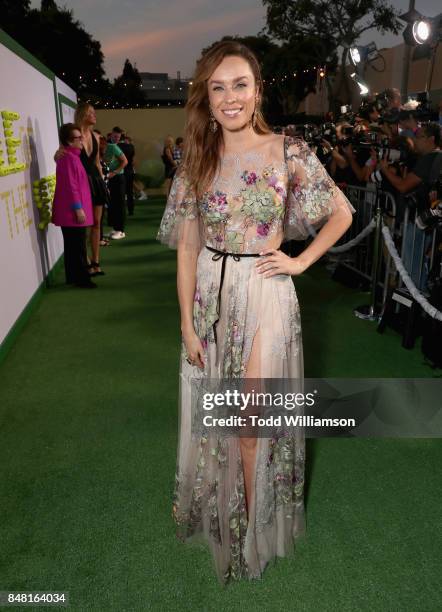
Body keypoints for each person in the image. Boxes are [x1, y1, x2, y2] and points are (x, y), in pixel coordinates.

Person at [156, 40, 355, 583]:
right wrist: (185, 322)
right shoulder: (198, 158)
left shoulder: (289, 151)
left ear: (258, 89)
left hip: (265, 293)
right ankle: (227, 514)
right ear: (207, 96)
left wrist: (301, 260)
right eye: (217, 87)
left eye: (239, 84)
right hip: (211, 295)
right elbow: (187, 251)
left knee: (251, 423)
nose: (229, 97)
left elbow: (341, 211)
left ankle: (252, 531)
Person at [51, 123, 96, 289]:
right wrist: (78, 208)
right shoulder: (69, 158)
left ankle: (74, 277)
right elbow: (71, 185)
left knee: (72, 245)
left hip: (72, 208)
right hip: (73, 210)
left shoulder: (72, 156)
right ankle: (82, 278)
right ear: (69, 142)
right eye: (78, 138)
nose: (82, 140)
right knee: (77, 246)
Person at [105, 127, 128, 239]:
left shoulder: (114, 147)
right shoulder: (107, 146)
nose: (116, 139)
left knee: (119, 204)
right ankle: (115, 229)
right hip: (111, 179)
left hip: (119, 178)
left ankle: (121, 230)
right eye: (115, 136)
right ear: (110, 135)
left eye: (118, 137)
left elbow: (125, 161)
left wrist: (114, 173)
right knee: (112, 204)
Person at [119, 133, 136, 216]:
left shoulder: (117, 146)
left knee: (121, 192)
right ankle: (131, 210)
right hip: (129, 171)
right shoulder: (131, 147)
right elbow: (132, 160)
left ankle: (121, 210)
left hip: (121, 171)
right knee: (130, 192)